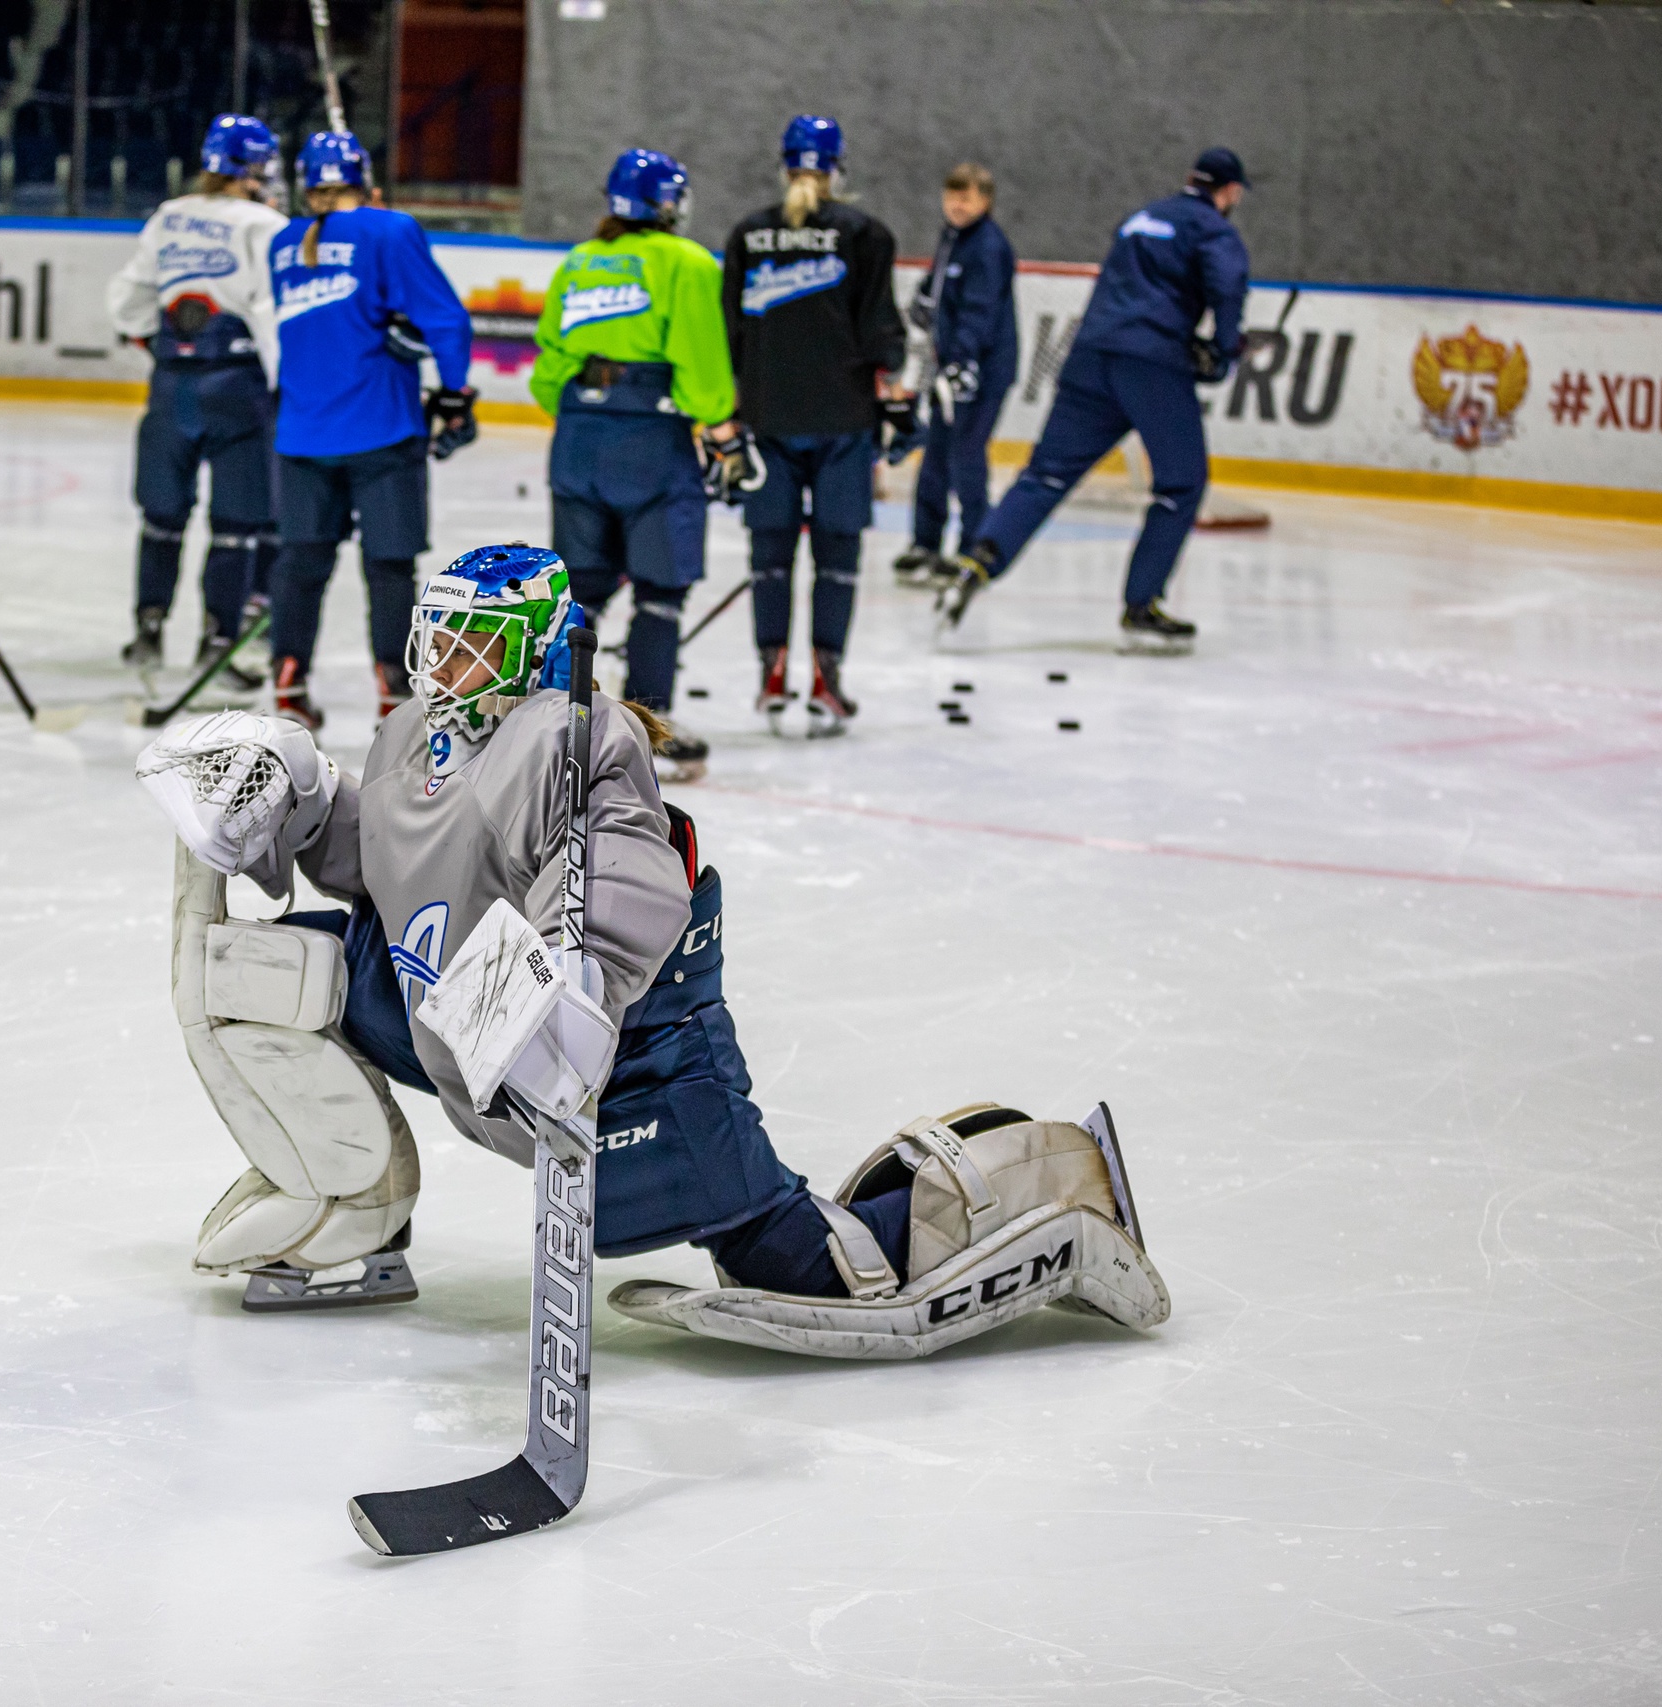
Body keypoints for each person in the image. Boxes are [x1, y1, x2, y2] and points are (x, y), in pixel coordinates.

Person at [130, 542, 1171, 1359]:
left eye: (474, 642)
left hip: (629, 1067)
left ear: (536, 646)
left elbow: (629, 871)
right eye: (436, 637)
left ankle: (1049, 1188)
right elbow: (399, 860)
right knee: (276, 975)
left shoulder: (574, 739)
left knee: (804, 1263)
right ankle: (350, 1218)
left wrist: (573, 981)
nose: (445, 662)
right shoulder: (414, 731)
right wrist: (305, 806)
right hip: (452, 1025)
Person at [938, 147, 1252, 654]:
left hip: (1090, 353)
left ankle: (977, 561)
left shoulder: (1143, 217)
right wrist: (1223, 349)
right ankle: (1142, 605)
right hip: (1151, 363)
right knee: (1181, 483)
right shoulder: (1211, 229)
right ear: (1230, 192)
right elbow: (1228, 283)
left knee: (1046, 474)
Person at [530, 147, 737, 779]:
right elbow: (700, 367)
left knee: (582, 590)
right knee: (660, 590)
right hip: (654, 442)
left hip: (579, 440)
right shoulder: (687, 262)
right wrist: (721, 425)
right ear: (671, 205)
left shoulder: (581, 262)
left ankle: (556, 724)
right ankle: (650, 732)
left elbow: (547, 373)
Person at [262, 130, 478, 730]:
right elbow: (446, 320)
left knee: (300, 563)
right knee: (388, 567)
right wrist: (456, 394)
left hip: (302, 434)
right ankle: (392, 690)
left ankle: (287, 679)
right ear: (365, 179)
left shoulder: (283, 242)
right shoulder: (390, 229)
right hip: (381, 431)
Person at [720, 115, 907, 737]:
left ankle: (771, 675)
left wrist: (727, 416)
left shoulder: (749, 233)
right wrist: (899, 396)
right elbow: (882, 330)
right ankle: (827, 681)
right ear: (837, 169)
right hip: (843, 420)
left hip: (767, 416)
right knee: (837, 557)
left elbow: (730, 334)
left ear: (786, 167)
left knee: (770, 555)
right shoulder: (865, 233)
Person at [104, 113, 287, 686]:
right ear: (255, 168)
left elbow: (129, 303)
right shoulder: (265, 224)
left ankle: (148, 633)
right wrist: (286, 386)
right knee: (236, 524)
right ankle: (217, 642)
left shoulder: (169, 215)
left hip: (171, 385)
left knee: (161, 515)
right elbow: (270, 313)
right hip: (238, 388)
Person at [893, 161, 1018, 592]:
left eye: (966, 197)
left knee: (966, 456)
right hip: (951, 367)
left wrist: (964, 361)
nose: (957, 205)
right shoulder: (953, 239)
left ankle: (972, 547)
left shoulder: (988, 247)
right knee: (935, 455)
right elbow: (942, 287)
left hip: (981, 372)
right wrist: (925, 297)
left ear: (985, 201)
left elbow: (980, 311)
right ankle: (924, 542)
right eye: (951, 196)